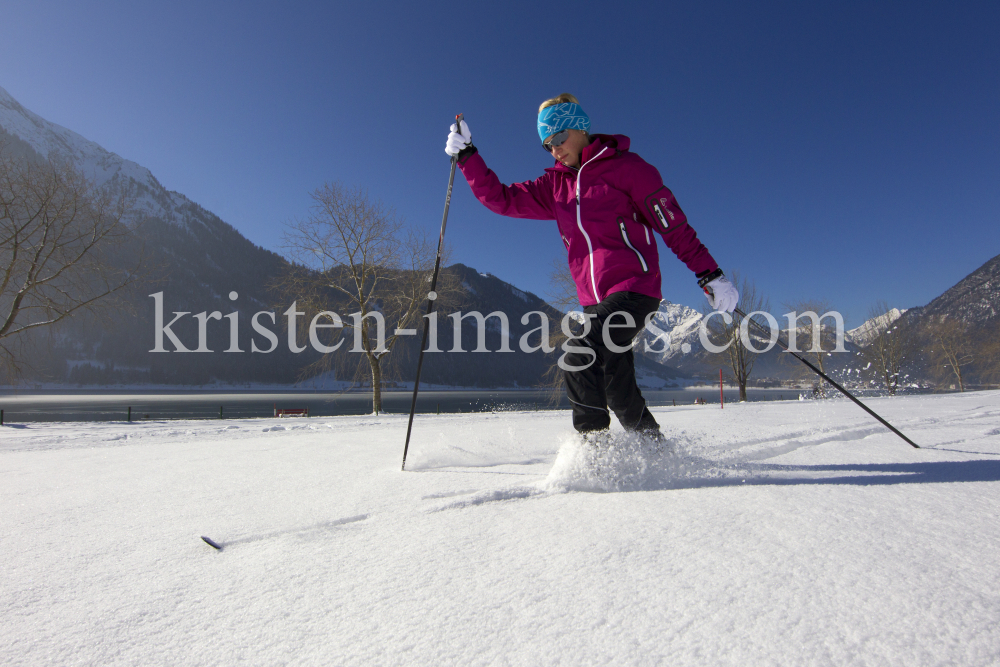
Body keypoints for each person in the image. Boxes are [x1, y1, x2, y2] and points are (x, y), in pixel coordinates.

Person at [445, 93, 739, 440]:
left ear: (580, 128)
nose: (554, 149)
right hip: (594, 301)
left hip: (635, 289)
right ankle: (655, 451)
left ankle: (594, 454)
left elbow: (672, 225)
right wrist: (468, 157)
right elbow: (502, 199)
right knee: (617, 385)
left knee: (579, 355)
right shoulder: (554, 186)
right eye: (546, 145)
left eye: (558, 138)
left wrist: (711, 274)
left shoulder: (629, 169)